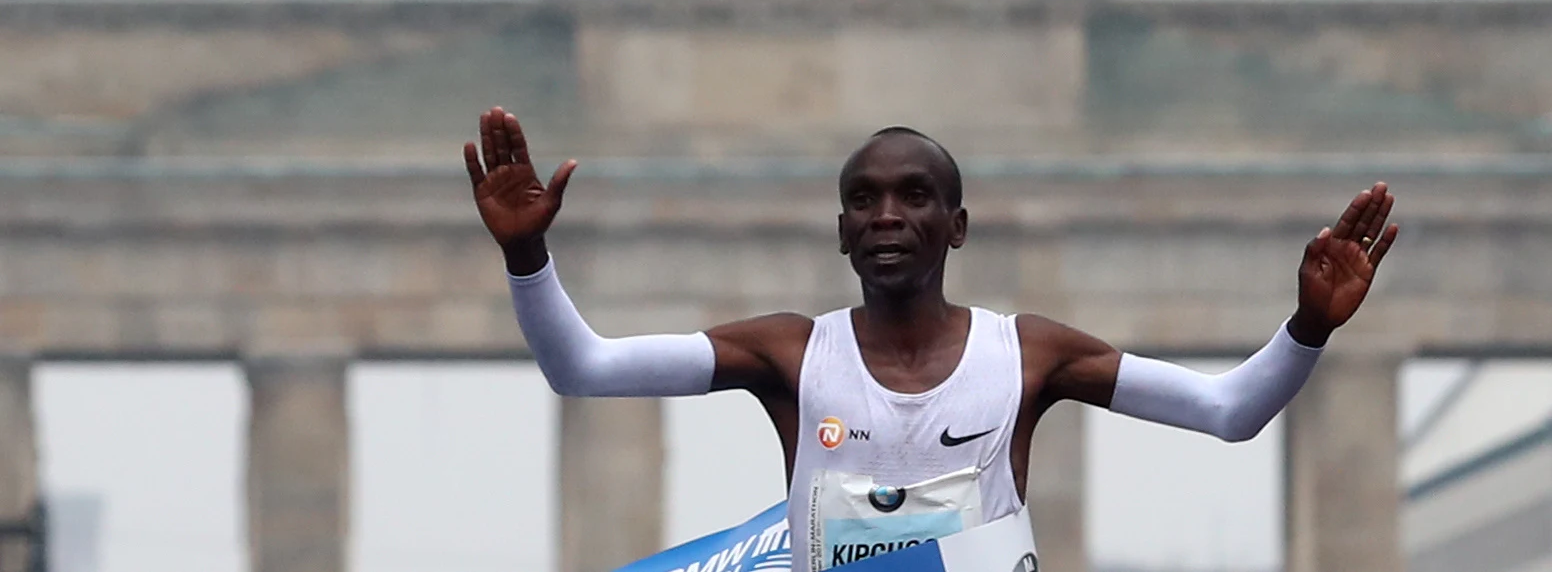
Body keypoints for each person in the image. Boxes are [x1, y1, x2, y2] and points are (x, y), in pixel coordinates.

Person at [464, 107, 1399, 572]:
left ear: (956, 225)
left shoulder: (1029, 355)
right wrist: (529, 254)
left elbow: (1227, 410)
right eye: (863, 199)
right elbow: (579, 365)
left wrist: (1308, 327)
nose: (887, 214)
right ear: (839, 232)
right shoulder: (789, 354)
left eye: (915, 196)